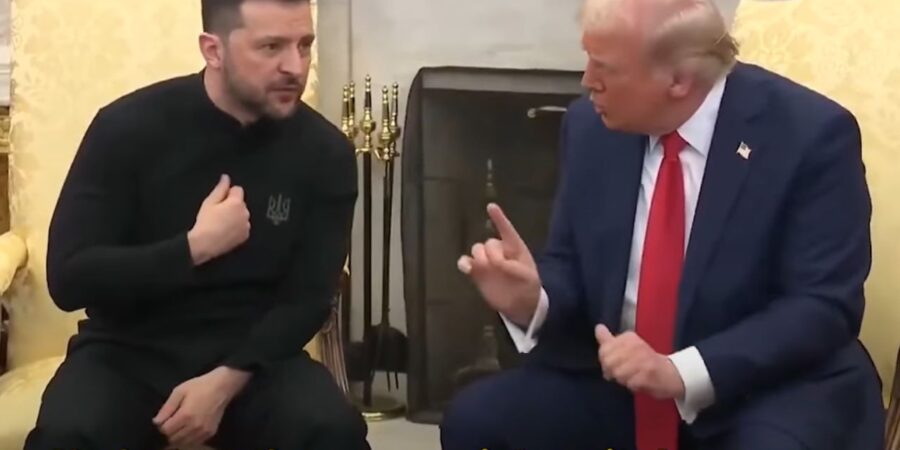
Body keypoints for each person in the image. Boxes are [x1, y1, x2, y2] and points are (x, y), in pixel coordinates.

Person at [441, 0, 886, 449]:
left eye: (605, 67)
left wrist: (680, 371)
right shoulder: (589, 127)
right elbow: (572, 265)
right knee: (477, 421)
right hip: (622, 382)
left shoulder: (810, 135)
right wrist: (533, 300)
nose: (587, 81)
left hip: (760, 386)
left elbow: (821, 306)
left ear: (678, 80)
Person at [25, 0, 369, 449]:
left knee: (332, 432)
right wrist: (193, 248)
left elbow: (307, 298)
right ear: (213, 50)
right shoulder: (126, 128)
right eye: (271, 47)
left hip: (256, 361)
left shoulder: (325, 153)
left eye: (304, 45)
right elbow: (69, 279)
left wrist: (225, 382)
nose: (295, 66)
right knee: (68, 436)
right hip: (127, 352)